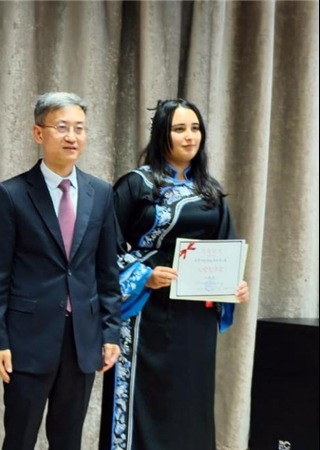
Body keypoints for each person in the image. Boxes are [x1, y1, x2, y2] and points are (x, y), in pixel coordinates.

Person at [98, 99, 250, 450]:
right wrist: (143, 276)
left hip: (195, 319)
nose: (189, 136)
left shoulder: (211, 191)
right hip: (144, 316)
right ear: (161, 135)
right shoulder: (137, 184)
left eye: (195, 128)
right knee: (145, 404)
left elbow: (224, 248)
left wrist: (233, 285)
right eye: (179, 129)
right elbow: (104, 249)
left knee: (189, 404)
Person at [0, 92, 122, 450]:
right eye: (62, 127)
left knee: (68, 439)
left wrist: (110, 333)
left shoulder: (101, 193)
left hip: (82, 339)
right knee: (20, 438)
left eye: (79, 128)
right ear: (38, 133)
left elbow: (106, 272)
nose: (72, 136)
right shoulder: (11, 194)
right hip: (27, 340)